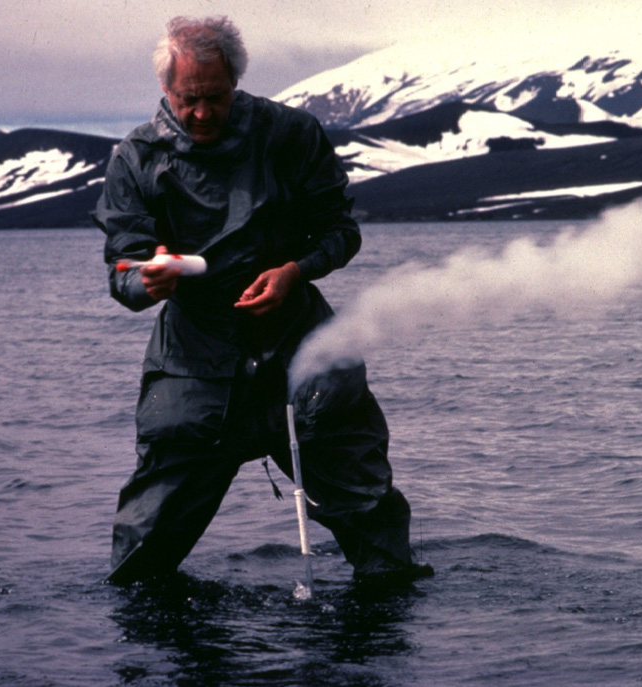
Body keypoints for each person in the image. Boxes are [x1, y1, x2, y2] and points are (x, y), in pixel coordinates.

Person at [93, 15, 431, 586]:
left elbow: (340, 231)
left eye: (215, 98)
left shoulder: (290, 134)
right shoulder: (137, 159)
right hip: (194, 370)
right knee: (140, 562)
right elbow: (122, 263)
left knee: (376, 531)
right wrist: (144, 282)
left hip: (301, 356)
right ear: (166, 90)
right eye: (188, 98)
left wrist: (294, 273)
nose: (201, 112)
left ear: (235, 83)